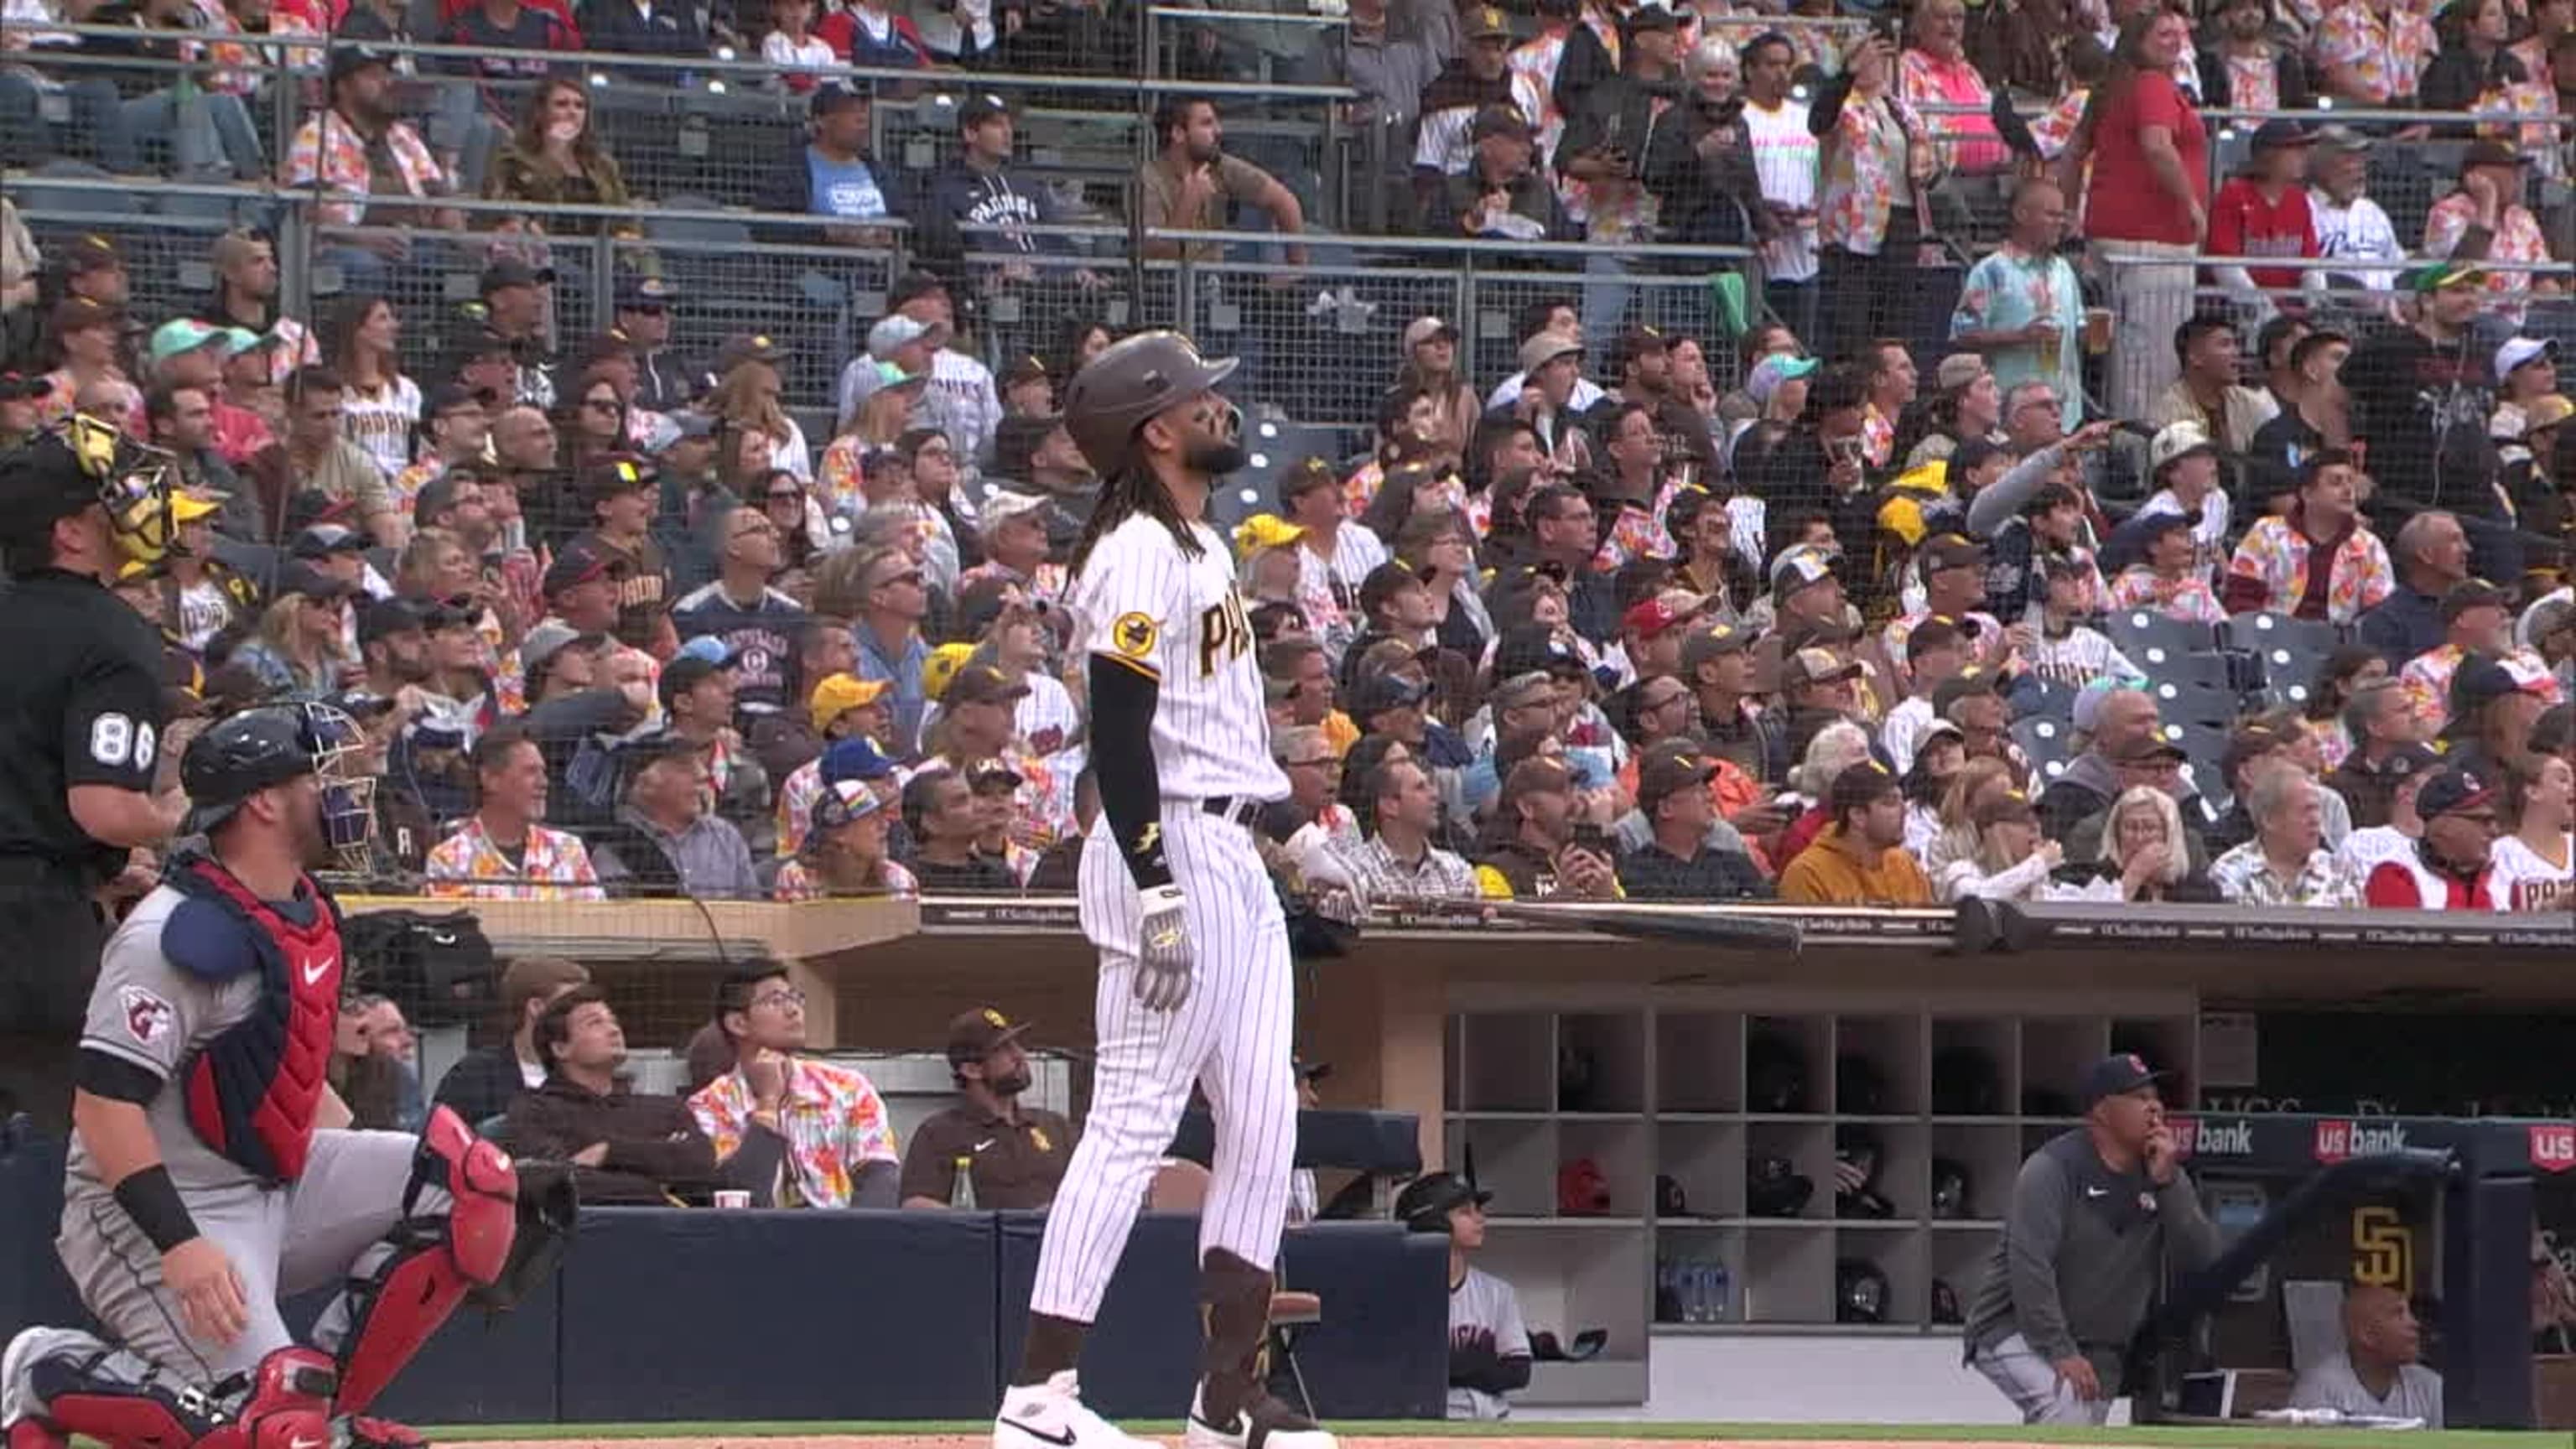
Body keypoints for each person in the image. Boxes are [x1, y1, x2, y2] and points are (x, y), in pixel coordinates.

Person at [0, 704, 558, 1449]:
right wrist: (182, 1248)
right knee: (259, 1433)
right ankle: (49, 1371)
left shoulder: (304, 910)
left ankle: (319, 1418)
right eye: (321, 776)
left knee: (468, 1179)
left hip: (273, 1181)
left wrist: (370, 1176)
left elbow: (283, 1081)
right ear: (264, 800)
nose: (346, 793)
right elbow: (103, 1110)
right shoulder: (174, 935)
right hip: (154, 1212)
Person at [994, 330, 1332, 1449]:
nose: (1220, 410)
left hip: (1231, 847)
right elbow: (1123, 730)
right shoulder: (1137, 548)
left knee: (1266, 1123)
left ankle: (1228, 1398)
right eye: (1200, 399)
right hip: (1171, 846)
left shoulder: (1198, 544)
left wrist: (1297, 830)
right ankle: (1040, 1399)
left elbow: (1211, 729)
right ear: (1157, 429)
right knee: (1133, 1122)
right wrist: (1149, 880)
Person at [0, 434, 185, 1134]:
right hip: (32, 933)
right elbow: (104, 810)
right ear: (70, 533)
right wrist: (175, 817)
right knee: (60, 1153)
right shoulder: (112, 635)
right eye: (105, 502)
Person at [1964, 1054, 2218, 1426]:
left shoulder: (2163, 1175)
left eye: (2156, 1096)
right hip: (2012, 1327)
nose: (2154, 1107)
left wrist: (2169, 1184)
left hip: (2101, 1347)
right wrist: (2060, 1350)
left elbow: (2203, 1260)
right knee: (2068, 1407)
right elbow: (2030, 1268)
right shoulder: (2053, 1168)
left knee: (2080, 1427)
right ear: (2101, 1109)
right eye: (2138, 1097)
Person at [2069, 8, 2207, 422]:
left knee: (2127, 354)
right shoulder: (2152, 85)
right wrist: (2191, 204)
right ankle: (2140, 453)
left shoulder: (2114, 88)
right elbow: (2157, 146)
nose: (2174, 39)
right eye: (2162, 33)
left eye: (2178, 32)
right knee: (2152, 360)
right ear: (2137, 41)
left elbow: (2074, 151)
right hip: (2152, 242)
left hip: (2119, 239)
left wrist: (2068, 213)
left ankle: (2127, 446)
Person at [688, 958, 901, 1210]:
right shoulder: (709, 1106)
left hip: (843, 1238)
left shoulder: (848, 1089)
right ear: (738, 1023)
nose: (794, 1010)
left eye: (795, 998)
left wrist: (854, 1242)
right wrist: (768, 1104)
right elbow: (742, 1199)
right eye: (776, 1001)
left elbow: (881, 1180)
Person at [499, 985, 727, 1206]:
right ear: (561, 1048)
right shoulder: (535, 1111)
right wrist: (655, 1186)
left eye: (613, 1021)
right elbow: (554, 1183)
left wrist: (610, 1153)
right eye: (595, 1023)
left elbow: (701, 1163)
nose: (614, 1030)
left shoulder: (664, 1109)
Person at [900, 1007, 1078, 1211]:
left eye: (1016, 1044)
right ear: (971, 1070)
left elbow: (1095, 1189)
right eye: (1003, 1049)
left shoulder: (1055, 1126)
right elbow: (915, 1205)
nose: (1019, 1055)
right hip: (985, 1241)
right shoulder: (939, 1133)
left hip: (1059, 1239)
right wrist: (984, 1227)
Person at [1395, 1170, 1531, 1421]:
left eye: (1477, 1210)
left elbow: (1518, 1371)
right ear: (1433, 1220)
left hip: (1492, 1416)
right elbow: (1396, 1373)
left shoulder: (1498, 1293)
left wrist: (1448, 1369)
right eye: (1466, 1212)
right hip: (1427, 1418)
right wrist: (1477, 1366)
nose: (1481, 1219)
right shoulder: (1398, 1294)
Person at [423, 725, 606, 901]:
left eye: (543, 772)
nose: (543, 783)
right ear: (490, 779)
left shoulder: (567, 851)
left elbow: (598, 925)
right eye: (530, 772)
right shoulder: (450, 861)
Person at [428, 955, 591, 1127]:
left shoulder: (589, 1075)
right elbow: (440, 1145)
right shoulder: (474, 1077)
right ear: (536, 1007)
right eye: (572, 1006)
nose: (586, 1015)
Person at [1779, 761, 1935, 905]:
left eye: (1902, 800)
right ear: (1858, 816)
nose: (1905, 810)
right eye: (1890, 802)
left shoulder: (1905, 865)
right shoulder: (1808, 874)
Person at [2287, 1284, 2444, 1426]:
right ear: (2367, 1336)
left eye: (2410, 1313)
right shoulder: (2320, 1388)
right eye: (2398, 1314)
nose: (2414, 1324)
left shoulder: (2429, 1385)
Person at [2210, 763, 2363, 906]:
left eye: (2317, 809)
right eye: (2306, 810)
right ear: (2269, 820)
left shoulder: (2340, 873)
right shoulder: (2230, 872)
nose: (2316, 820)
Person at [2363, 764, 2502, 909]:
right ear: (2443, 827)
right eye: (2482, 820)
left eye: (2494, 820)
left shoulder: (2504, 874)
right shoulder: (2398, 874)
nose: (2495, 831)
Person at [2490, 754, 2574, 914]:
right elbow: (2496, 923)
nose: (2572, 785)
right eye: (2563, 780)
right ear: (2533, 791)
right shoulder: (2501, 853)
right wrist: (2551, 908)